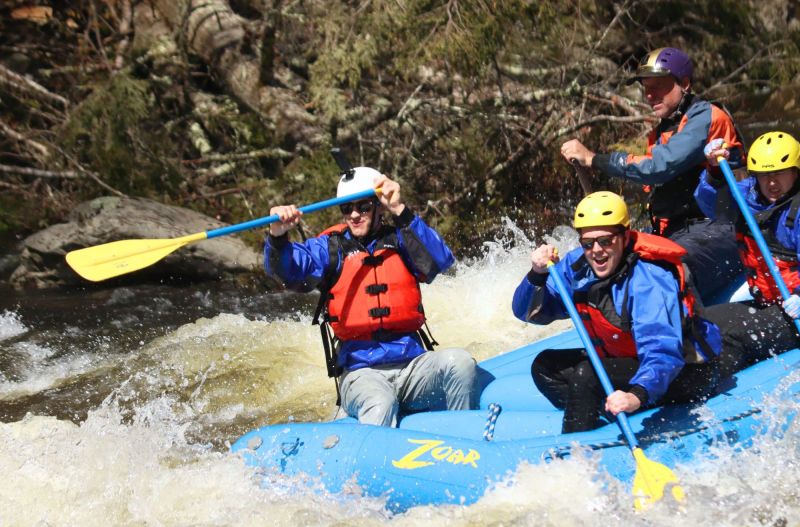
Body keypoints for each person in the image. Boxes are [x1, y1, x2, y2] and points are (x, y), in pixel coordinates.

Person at [265, 163, 478, 427]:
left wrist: (400, 210)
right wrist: (278, 236)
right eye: (347, 208)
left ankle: (463, 445)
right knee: (381, 402)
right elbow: (287, 271)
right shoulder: (331, 248)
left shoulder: (402, 239)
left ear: (378, 207)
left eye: (363, 207)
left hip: (412, 366)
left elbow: (439, 262)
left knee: (461, 362)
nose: (354, 215)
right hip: (361, 373)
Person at [512, 191, 721, 433]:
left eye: (606, 241)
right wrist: (536, 275)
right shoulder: (579, 265)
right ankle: (599, 416)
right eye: (588, 243)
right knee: (545, 366)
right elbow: (529, 313)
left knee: (587, 375)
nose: (597, 251)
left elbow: (662, 351)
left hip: (680, 372)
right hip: (628, 360)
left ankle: (577, 454)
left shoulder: (649, 280)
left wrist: (637, 395)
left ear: (624, 236)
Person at [560, 47, 746, 304]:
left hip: (719, 231)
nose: (650, 94)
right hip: (678, 231)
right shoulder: (662, 131)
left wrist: (594, 159)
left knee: (656, 272)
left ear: (685, 84)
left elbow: (657, 168)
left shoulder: (706, 117)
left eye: (659, 86)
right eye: (646, 87)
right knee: (602, 262)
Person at [696, 131, 800, 377]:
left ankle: (708, 382)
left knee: (732, 333)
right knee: (702, 321)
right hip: (767, 303)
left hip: (795, 312)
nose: (771, 183)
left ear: (796, 172)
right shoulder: (749, 194)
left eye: (779, 173)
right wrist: (714, 173)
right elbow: (712, 205)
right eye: (764, 175)